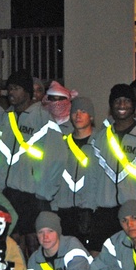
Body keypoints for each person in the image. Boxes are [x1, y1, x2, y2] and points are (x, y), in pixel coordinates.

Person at [0, 69, 66, 252]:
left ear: (27, 92)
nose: (11, 93)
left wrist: (42, 191)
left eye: (16, 88)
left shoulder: (44, 119)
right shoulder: (5, 119)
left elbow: (57, 158)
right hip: (6, 193)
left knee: (33, 242)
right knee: (10, 243)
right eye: (9, 89)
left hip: (32, 195)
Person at [89, 84, 136, 249]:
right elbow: (92, 177)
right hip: (104, 212)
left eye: (126, 101)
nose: (122, 105)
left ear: (134, 105)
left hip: (135, 213)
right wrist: (88, 209)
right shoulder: (100, 138)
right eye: (117, 101)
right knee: (100, 264)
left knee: (133, 265)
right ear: (111, 105)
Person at [52, 97, 99, 251]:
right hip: (64, 211)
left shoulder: (100, 144)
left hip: (90, 212)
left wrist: (92, 208)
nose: (78, 115)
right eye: (75, 112)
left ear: (91, 116)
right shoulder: (62, 144)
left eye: (83, 111)